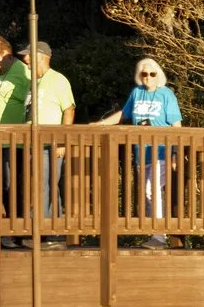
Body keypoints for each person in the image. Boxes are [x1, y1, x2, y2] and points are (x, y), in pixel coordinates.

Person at [94, 56, 182, 248]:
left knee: (152, 189)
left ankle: (159, 236)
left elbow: (177, 126)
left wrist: (175, 152)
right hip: (142, 153)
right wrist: (101, 123)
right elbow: (123, 115)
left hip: (162, 151)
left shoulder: (166, 94)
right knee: (148, 193)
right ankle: (156, 233)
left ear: (159, 75)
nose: (148, 77)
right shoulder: (136, 93)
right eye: (144, 74)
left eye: (152, 73)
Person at [0, 35, 33, 247]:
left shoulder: (22, 72)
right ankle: (4, 231)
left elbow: (32, 103)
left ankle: (17, 231)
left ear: (6, 54)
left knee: (14, 187)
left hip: (15, 141)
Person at [27, 42, 75, 246]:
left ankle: (49, 232)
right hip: (33, 142)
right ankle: (47, 232)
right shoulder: (33, 81)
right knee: (41, 184)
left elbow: (69, 109)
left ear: (41, 57)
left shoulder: (58, 80)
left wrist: (62, 141)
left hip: (51, 143)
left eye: (29, 57)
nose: (26, 61)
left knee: (46, 184)